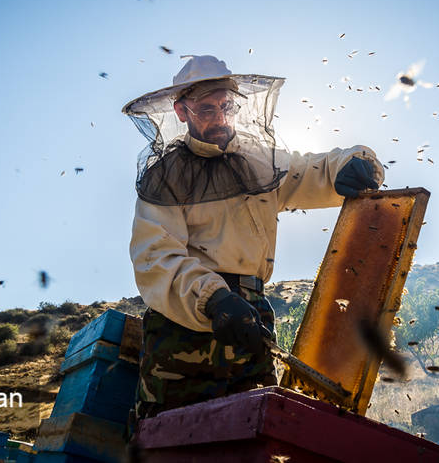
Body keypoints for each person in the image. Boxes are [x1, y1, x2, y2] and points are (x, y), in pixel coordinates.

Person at [122, 55, 384, 423]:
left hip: (252, 316)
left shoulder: (260, 161)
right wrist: (212, 299)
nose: (219, 117)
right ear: (181, 112)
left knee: (256, 433)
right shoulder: (165, 178)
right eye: (206, 109)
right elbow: (155, 257)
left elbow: (314, 169)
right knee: (170, 435)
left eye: (226, 106)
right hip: (186, 326)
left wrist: (354, 163)